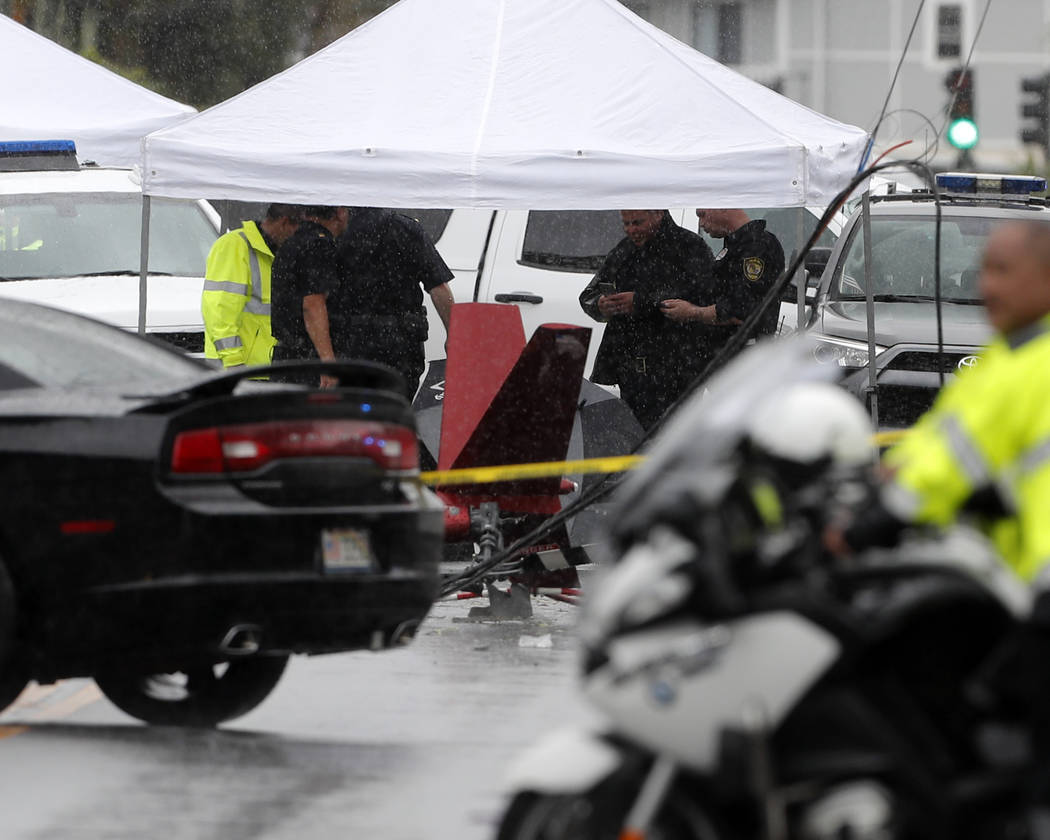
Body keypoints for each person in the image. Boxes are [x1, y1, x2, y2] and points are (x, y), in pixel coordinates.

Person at [579, 209, 716, 430]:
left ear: (657, 215)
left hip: (677, 367)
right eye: (626, 223)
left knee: (672, 439)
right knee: (633, 436)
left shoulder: (690, 247)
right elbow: (589, 294)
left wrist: (643, 302)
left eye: (637, 222)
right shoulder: (624, 250)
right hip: (631, 368)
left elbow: (702, 295)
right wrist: (601, 304)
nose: (631, 229)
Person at [331, 207, 454, 400]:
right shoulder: (406, 228)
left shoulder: (334, 230)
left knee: (349, 417)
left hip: (348, 346)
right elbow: (438, 287)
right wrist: (454, 335)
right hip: (400, 348)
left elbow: (313, 297)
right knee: (395, 416)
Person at [201, 204, 301, 370]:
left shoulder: (277, 252)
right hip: (238, 367)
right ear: (284, 223)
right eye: (296, 231)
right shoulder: (234, 246)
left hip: (263, 367)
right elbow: (219, 310)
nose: (296, 238)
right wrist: (233, 359)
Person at [660, 209, 785, 337]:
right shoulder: (735, 246)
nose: (701, 223)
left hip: (745, 349)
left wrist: (692, 312)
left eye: (702, 214)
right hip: (727, 347)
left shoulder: (757, 246)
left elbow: (741, 310)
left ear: (722, 207)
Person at [270, 205, 350, 387]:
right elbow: (313, 304)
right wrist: (327, 360)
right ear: (340, 212)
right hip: (309, 361)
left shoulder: (292, 241)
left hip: (288, 356)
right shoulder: (319, 244)